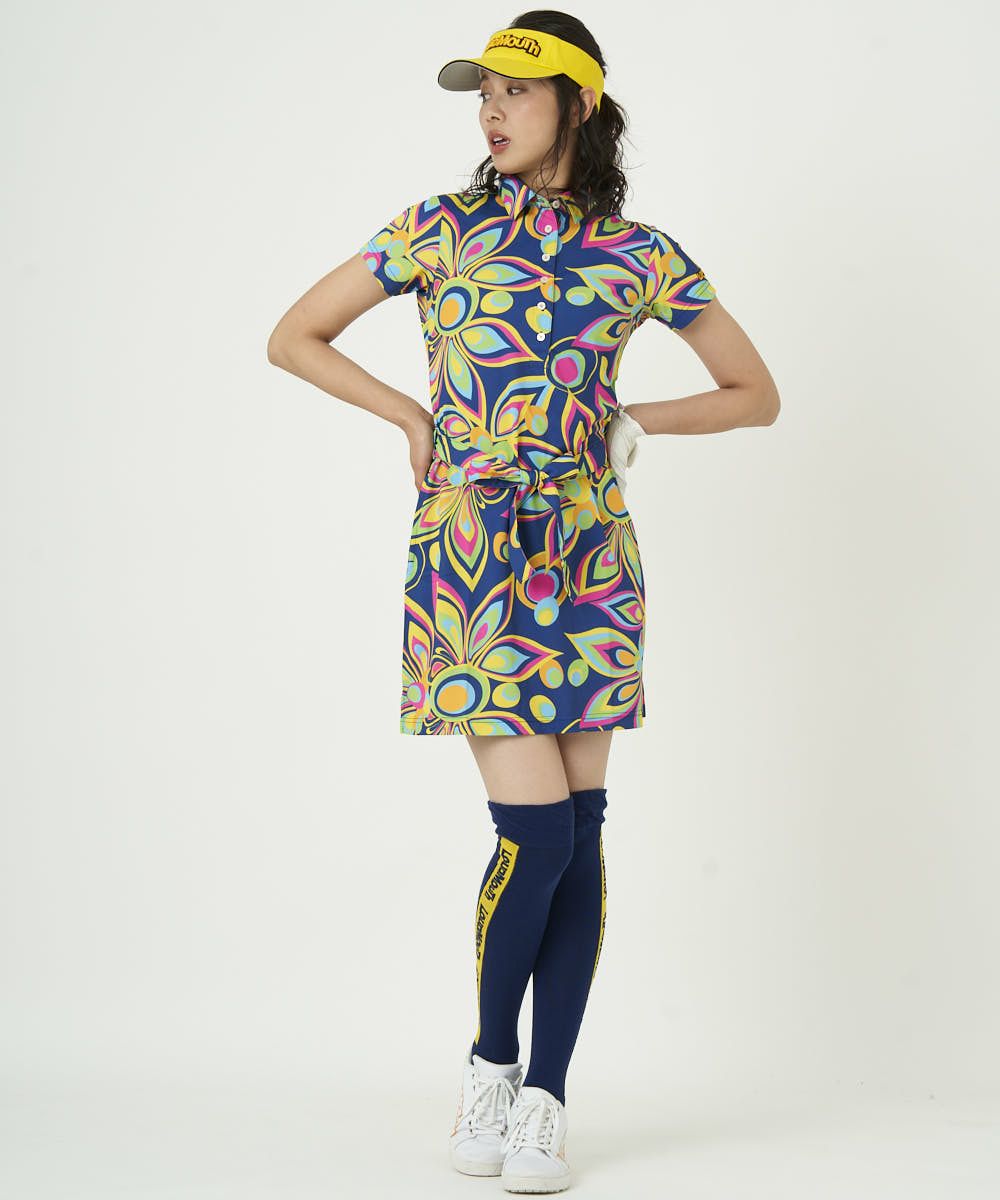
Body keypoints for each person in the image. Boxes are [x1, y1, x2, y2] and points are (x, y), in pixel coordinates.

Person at [267, 10, 780, 1193]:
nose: (492, 110)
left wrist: (636, 422)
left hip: (588, 557)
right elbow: (295, 335)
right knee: (536, 834)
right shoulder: (438, 230)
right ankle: (490, 1064)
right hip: (472, 556)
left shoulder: (639, 253)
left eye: (517, 90)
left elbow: (753, 392)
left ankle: (546, 1099)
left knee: (582, 832)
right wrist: (408, 414)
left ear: (578, 105)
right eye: (482, 93)